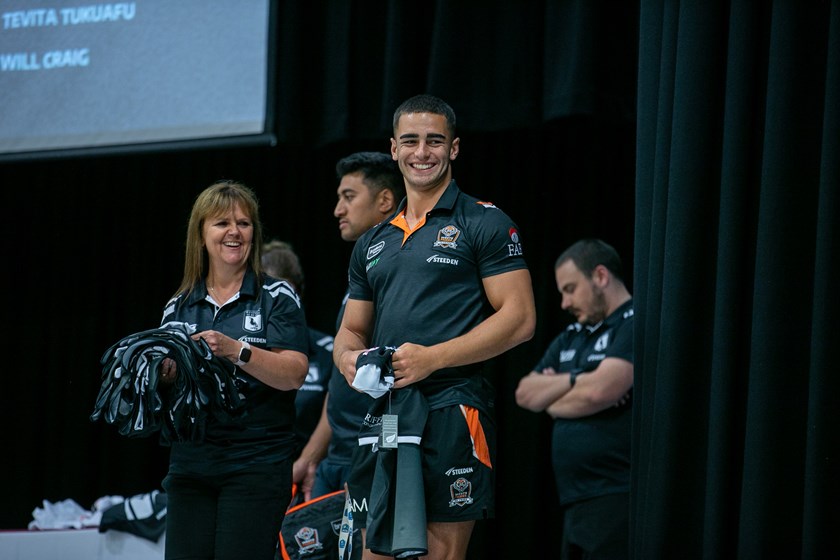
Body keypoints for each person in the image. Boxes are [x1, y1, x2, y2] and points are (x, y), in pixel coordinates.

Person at [333, 94, 536, 560]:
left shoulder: (484, 221)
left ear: (455, 148)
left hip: (453, 408)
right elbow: (352, 331)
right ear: (394, 148)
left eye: (434, 141)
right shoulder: (372, 241)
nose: (421, 152)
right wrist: (347, 358)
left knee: (440, 553)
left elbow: (520, 319)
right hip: (386, 412)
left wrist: (433, 358)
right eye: (410, 141)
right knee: (375, 550)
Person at [157, 180, 310, 560]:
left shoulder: (276, 295)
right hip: (191, 463)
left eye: (243, 223)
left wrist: (236, 350)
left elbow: (294, 373)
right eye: (221, 223)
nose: (234, 232)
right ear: (201, 234)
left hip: (255, 464)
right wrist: (165, 374)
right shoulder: (178, 305)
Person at [292, 152, 405, 502]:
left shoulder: (401, 270)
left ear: (384, 200)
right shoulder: (363, 270)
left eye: (349, 197)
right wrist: (310, 457)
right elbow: (341, 382)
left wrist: (386, 451)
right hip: (336, 456)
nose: (337, 209)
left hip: (374, 449)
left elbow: (400, 378)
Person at [515, 238, 634, 560]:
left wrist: (559, 386)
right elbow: (526, 394)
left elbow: (602, 389)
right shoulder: (572, 336)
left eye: (570, 289)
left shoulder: (633, 322)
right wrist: (578, 379)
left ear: (600, 276)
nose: (564, 303)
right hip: (574, 498)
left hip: (617, 493)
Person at [261, 239, 335, 457]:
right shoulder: (236, 349)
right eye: (270, 298)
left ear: (299, 294)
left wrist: (306, 462)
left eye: (287, 297)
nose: (279, 307)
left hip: (314, 471)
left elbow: (340, 412)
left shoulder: (328, 351)